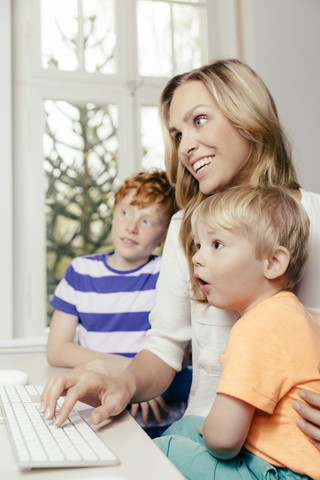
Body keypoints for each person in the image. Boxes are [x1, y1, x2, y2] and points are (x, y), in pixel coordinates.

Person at [40, 59, 320, 448]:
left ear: (248, 115)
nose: (186, 146)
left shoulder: (315, 217)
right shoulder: (184, 229)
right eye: (177, 134)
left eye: (199, 120)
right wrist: (122, 383)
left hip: (296, 455)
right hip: (202, 445)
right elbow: (163, 349)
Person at [153, 184, 319, 479]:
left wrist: (211, 430)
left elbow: (224, 441)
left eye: (216, 245)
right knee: (185, 426)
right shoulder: (293, 315)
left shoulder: (255, 328)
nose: (197, 258)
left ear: (273, 262)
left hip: (283, 473)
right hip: (289, 465)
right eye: (197, 246)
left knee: (163, 451)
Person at [47, 169, 188, 432]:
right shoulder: (80, 271)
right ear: (113, 215)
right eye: (125, 213)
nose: (131, 227)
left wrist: (139, 382)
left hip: (158, 417)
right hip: (94, 409)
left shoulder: (167, 274)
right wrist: (130, 373)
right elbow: (57, 348)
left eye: (147, 221)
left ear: (164, 235)